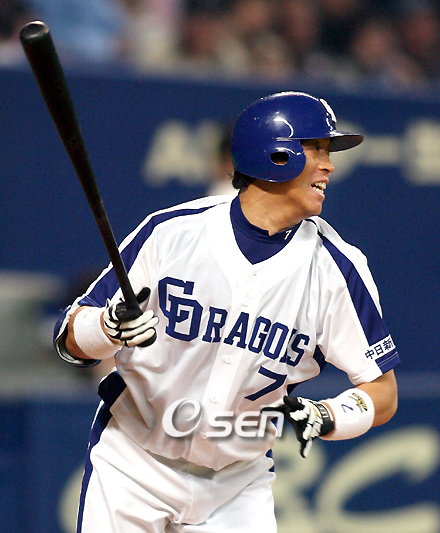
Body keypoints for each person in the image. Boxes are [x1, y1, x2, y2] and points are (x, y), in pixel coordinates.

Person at [54, 91, 400, 532]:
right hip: (132, 463)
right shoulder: (173, 232)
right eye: (316, 149)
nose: (329, 166)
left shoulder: (337, 269)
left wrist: (330, 415)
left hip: (238, 484)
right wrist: (106, 328)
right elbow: (69, 340)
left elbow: (382, 392)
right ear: (275, 153)